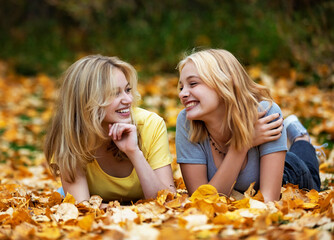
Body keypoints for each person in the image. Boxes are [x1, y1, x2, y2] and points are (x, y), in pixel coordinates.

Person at [175, 49, 322, 202]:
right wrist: (243, 144)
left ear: (224, 83)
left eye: (193, 84)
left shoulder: (266, 113)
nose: (183, 94)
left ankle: (301, 137)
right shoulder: (187, 121)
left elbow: (268, 201)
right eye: (181, 87)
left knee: (312, 176)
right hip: (241, 199)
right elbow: (202, 202)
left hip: (289, 174)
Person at [44, 55, 175, 205]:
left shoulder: (150, 125)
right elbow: (82, 206)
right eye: (115, 93)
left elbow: (167, 201)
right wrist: (128, 212)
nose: (128, 100)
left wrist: (134, 152)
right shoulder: (70, 135)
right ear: (87, 100)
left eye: (127, 90)